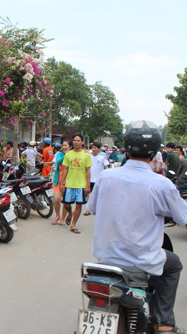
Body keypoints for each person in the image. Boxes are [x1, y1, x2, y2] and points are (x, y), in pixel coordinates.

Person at [87, 120, 187, 334]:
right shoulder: (162, 185)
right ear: (155, 150)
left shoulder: (106, 177)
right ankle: (163, 322)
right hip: (142, 261)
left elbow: (92, 207)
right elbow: (182, 217)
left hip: (106, 259)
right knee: (174, 264)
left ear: (126, 145)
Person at [59, 133, 92, 234]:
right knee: (67, 204)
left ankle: (73, 225)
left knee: (78, 205)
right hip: (69, 183)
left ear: (82, 142)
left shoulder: (86, 155)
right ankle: (70, 213)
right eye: (74, 140)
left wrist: (88, 185)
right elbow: (65, 169)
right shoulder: (68, 154)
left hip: (81, 184)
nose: (76, 142)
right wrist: (62, 183)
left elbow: (88, 170)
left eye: (78, 140)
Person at [83, 142, 109, 216]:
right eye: (92, 147)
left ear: (99, 149)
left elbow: (106, 166)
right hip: (89, 178)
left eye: (95, 147)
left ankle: (95, 209)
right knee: (87, 193)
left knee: (97, 195)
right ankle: (88, 209)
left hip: (98, 179)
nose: (93, 149)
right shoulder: (88, 156)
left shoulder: (102, 157)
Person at [51, 139, 72, 226]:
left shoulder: (73, 156)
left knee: (65, 201)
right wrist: (66, 155)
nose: (63, 147)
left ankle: (63, 218)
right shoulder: (60, 154)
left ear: (70, 147)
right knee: (56, 199)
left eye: (65, 145)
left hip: (69, 181)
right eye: (63, 145)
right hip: (58, 181)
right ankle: (57, 215)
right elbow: (59, 161)